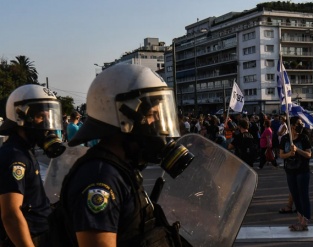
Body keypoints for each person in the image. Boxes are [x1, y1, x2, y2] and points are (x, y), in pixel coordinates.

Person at [54, 64, 192, 246]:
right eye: (152, 115)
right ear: (123, 119)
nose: (157, 124)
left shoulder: (122, 169)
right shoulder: (99, 177)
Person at [0, 84, 65, 247]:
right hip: (31, 237)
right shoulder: (15, 157)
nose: (47, 124)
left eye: (48, 117)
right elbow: (11, 214)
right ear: (20, 116)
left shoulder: (24, 150)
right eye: (40, 117)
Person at [279, 116, 312, 231]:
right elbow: (281, 154)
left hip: (302, 170)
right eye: (299, 123)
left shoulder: (304, 138)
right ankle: (300, 219)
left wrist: (297, 150)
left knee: (303, 195)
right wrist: (289, 154)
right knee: (295, 195)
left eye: (302, 123)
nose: (301, 125)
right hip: (290, 170)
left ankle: (305, 221)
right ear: (292, 125)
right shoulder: (285, 139)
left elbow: (309, 154)